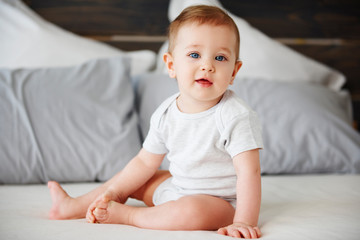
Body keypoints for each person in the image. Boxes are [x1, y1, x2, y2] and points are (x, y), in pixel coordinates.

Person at [48, 5, 263, 239]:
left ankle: (128, 216)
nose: (207, 65)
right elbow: (144, 162)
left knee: (191, 211)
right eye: (194, 55)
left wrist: (243, 221)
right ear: (171, 65)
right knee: (130, 180)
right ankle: (73, 207)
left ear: (234, 71)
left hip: (218, 203)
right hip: (177, 188)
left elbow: (249, 173)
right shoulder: (166, 112)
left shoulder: (235, 115)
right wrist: (117, 191)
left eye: (220, 57)